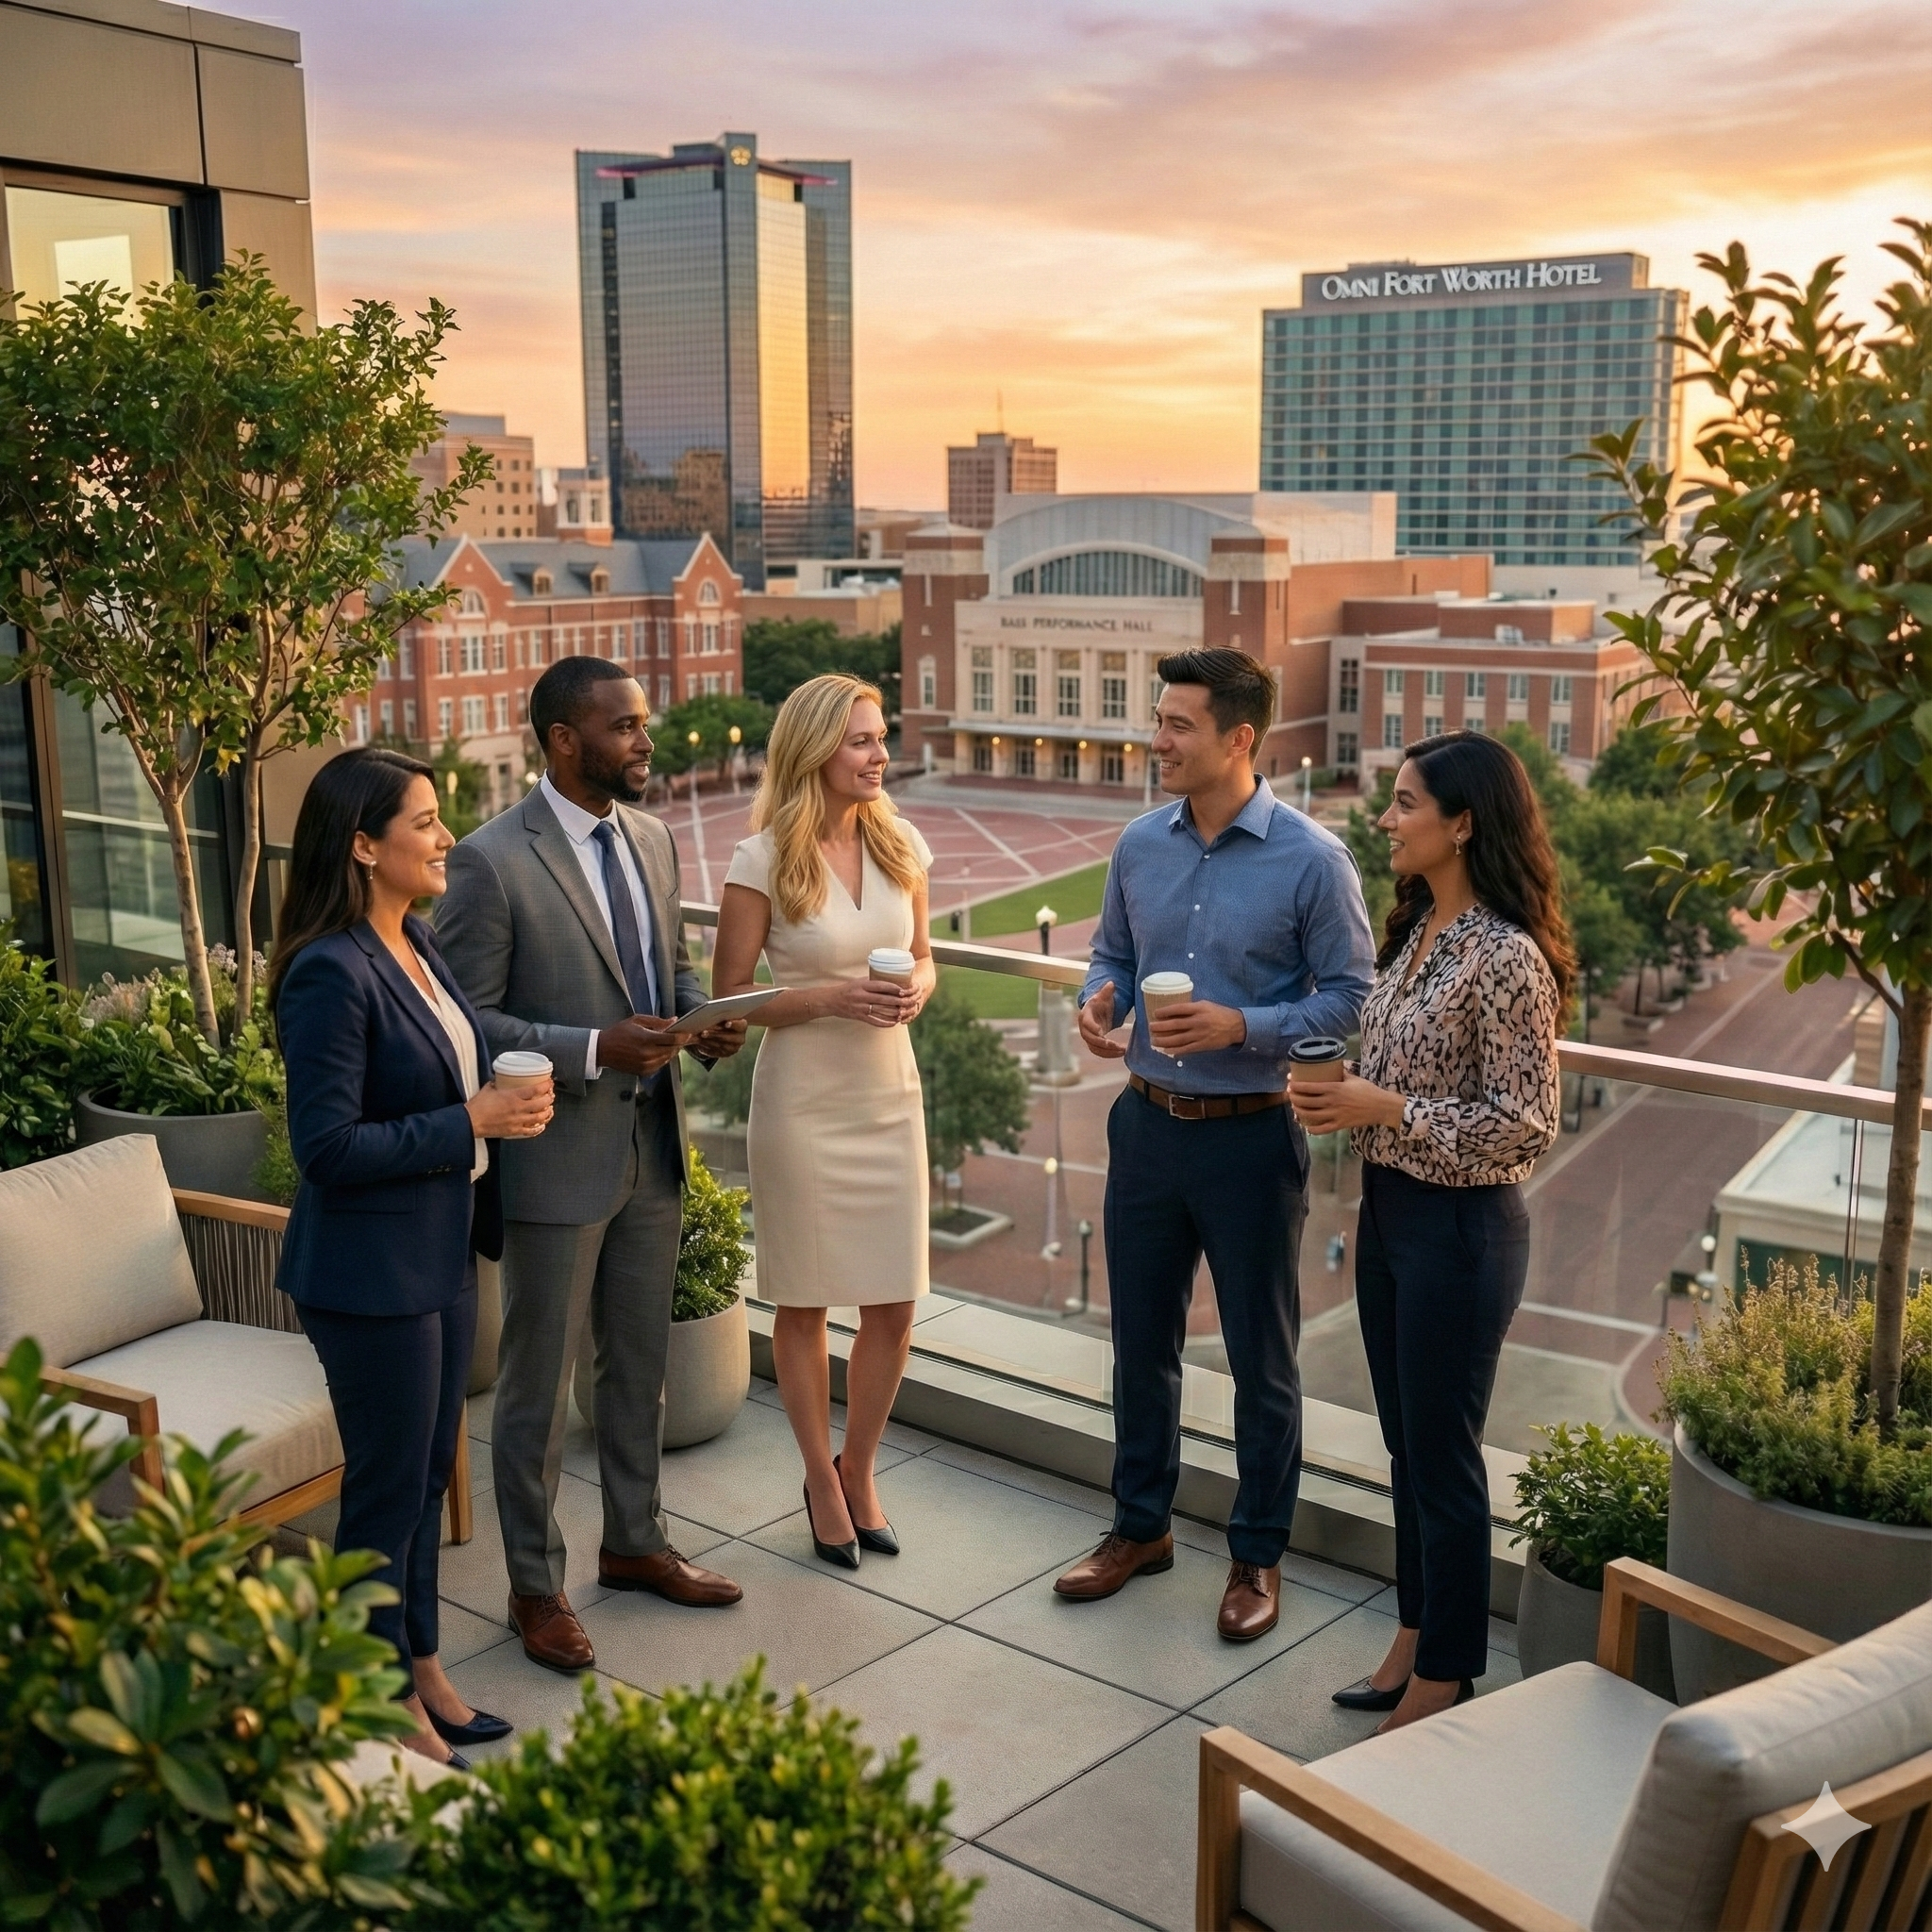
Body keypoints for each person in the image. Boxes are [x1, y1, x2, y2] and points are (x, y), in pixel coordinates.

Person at [436, 658, 746, 1674]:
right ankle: (535, 1585)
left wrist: (700, 1020)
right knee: (535, 1388)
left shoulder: (651, 838)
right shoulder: (488, 861)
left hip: (652, 1150)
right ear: (563, 740)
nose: (642, 740)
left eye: (642, 723)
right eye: (623, 727)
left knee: (638, 1368)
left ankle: (635, 1541)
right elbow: (467, 1020)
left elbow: (665, 967)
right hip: (553, 1161)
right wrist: (589, 1046)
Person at [1062, 649, 1375, 1640]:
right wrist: (1096, 996)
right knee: (1138, 1346)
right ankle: (1138, 1526)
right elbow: (1111, 951)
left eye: (1177, 725)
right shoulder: (1137, 845)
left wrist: (1242, 1026)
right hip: (1145, 1124)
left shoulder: (1313, 859)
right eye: (1156, 719)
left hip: (1249, 1140)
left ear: (1240, 738)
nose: (1154, 739)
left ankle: (1255, 1555)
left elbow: (1350, 997)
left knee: (1259, 1359)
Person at [273, 746, 554, 1768]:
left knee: (431, 1471)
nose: (445, 836)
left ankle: (419, 1663)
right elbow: (328, 1149)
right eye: (425, 822)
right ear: (362, 843)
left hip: (438, 1255)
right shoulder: (326, 971)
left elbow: (461, 1058)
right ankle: (360, 1694)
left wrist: (508, 1102)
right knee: (387, 1488)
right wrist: (466, 1118)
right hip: (367, 1276)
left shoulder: (419, 942)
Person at [1291, 730, 1567, 1732]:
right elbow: (1394, 1078)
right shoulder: (1416, 932)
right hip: (1392, 1216)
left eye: (1404, 801)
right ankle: (1413, 1635)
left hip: (1460, 1230)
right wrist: (1343, 1099)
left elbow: (1521, 1127)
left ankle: (1447, 1670)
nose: (1385, 815)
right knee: (1408, 1451)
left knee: (1442, 1460)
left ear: (1461, 822)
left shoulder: (1505, 955)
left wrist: (1386, 1110)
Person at [709, 675, 933, 1570]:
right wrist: (829, 997)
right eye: (862, 742)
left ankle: (861, 1466)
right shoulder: (757, 858)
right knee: (802, 1301)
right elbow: (730, 999)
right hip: (801, 1101)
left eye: (882, 739)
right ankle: (817, 1474)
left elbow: (923, 957)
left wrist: (919, 985)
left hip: (889, 1094)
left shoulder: (904, 841)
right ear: (814, 752)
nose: (881, 756)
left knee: (895, 1300)